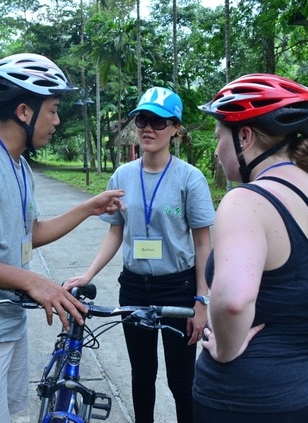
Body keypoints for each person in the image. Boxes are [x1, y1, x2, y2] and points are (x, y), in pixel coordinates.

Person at [0, 53, 125, 423]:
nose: (56, 120)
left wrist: (88, 208)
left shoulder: (19, 165)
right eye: (52, 110)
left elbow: (29, 234)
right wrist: (34, 281)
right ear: (24, 111)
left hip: (8, 325)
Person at [192, 74, 308, 422]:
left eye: (220, 137)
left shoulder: (245, 201)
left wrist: (224, 349)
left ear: (245, 137)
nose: (217, 151)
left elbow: (233, 303)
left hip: (251, 399)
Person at [64, 87, 214, 423]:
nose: (148, 128)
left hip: (179, 287)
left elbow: (204, 244)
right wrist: (87, 275)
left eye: (159, 122)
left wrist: (201, 301)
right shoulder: (123, 175)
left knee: (181, 381)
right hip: (134, 286)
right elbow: (116, 231)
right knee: (142, 376)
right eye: (143, 119)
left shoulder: (190, 179)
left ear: (176, 128)